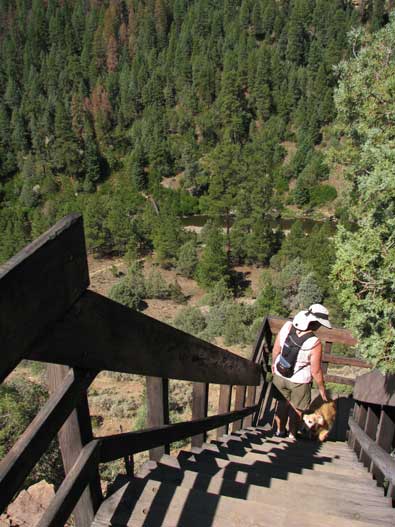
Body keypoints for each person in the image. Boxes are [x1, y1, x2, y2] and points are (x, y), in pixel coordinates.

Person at [271, 304, 332, 439]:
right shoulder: (314, 342)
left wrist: (274, 365)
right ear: (314, 323)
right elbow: (316, 371)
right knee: (297, 409)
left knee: (282, 403)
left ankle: (280, 431)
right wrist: (321, 388)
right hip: (300, 381)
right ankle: (292, 434)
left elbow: (276, 350)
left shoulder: (287, 326)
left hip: (280, 374)